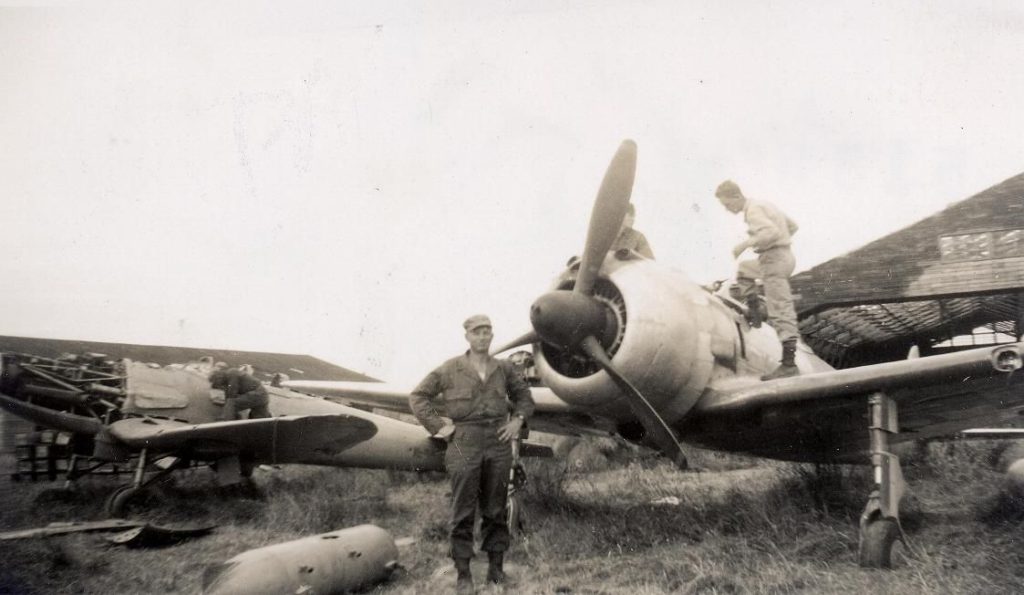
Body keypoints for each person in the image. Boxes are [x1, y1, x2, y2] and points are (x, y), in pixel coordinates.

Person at [409, 314, 535, 593]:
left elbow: (525, 398)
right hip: (463, 441)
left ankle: (496, 571)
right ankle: (464, 574)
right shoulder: (450, 368)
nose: (482, 336)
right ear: (467, 336)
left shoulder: (503, 368)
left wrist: (517, 421)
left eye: (487, 331)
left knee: (496, 507)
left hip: (498, 440)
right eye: (477, 332)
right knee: (463, 510)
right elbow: (418, 397)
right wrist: (439, 427)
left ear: (492, 336)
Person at [715, 180, 801, 380]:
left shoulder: (753, 210)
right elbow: (792, 226)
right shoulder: (764, 205)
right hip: (781, 256)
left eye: (728, 205)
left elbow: (771, 232)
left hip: (773, 260)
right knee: (744, 271)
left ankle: (789, 364)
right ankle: (754, 310)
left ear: (737, 196)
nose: (729, 210)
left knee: (780, 309)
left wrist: (745, 244)